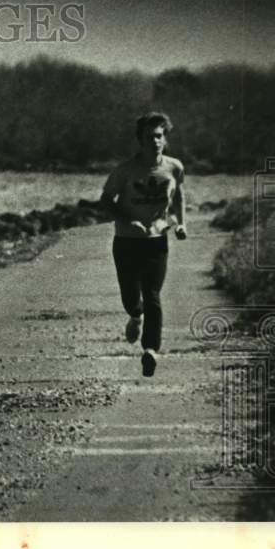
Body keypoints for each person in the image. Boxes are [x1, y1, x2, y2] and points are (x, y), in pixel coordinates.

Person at [100, 112, 187, 377]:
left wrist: (181, 223)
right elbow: (105, 201)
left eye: (159, 136)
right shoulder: (125, 170)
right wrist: (128, 221)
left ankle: (150, 350)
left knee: (153, 296)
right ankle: (134, 316)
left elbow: (179, 195)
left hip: (156, 242)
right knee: (131, 298)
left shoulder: (174, 167)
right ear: (140, 140)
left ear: (165, 138)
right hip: (126, 242)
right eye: (149, 136)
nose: (155, 141)